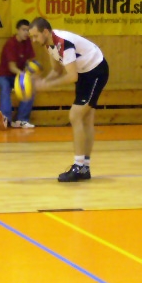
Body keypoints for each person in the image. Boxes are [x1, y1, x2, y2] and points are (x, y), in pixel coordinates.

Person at [28, 17, 109, 182]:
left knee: (75, 115)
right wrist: (42, 82)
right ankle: (84, 168)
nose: (33, 40)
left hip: (96, 71)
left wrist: (47, 86)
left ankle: (79, 167)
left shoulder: (63, 43)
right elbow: (57, 71)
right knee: (86, 119)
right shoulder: (49, 45)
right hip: (84, 73)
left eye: (35, 36)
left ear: (45, 32)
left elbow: (72, 76)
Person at [0, 19, 36, 130]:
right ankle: (5, 119)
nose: (26, 33)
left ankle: (21, 120)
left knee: (30, 86)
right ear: (17, 30)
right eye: (23, 30)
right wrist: (24, 75)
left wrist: (30, 72)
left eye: (28, 30)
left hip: (17, 76)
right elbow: (12, 67)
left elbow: (29, 61)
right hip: (4, 76)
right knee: (5, 87)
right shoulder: (11, 44)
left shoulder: (28, 42)